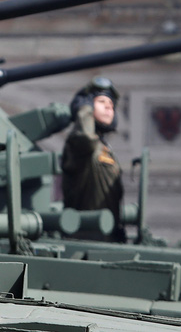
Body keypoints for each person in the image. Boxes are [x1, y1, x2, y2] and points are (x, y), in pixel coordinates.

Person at [61, 76, 126, 242]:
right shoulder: (79, 145)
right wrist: (84, 108)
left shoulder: (104, 148)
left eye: (111, 104)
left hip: (107, 237)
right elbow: (85, 138)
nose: (108, 107)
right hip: (83, 237)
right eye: (101, 101)